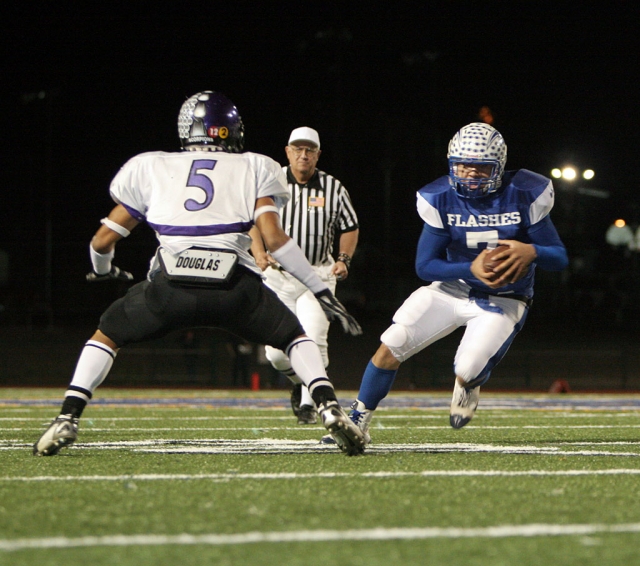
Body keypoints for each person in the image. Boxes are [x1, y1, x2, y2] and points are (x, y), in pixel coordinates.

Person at [33, 90, 365, 457]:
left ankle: (68, 415)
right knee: (295, 337)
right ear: (232, 129)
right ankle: (327, 405)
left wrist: (104, 271)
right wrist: (319, 290)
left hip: (169, 289)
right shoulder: (255, 166)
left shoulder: (152, 166)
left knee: (106, 335)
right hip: (234, 290)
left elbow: (101, 241)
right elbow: (275, 238)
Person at [332, 122, 568, 444]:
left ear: (498, 167)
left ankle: (468, 385)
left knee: (468, 369)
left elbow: (559, 257)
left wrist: (532, 250)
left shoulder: (525, 193)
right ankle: (359, 418)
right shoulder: (440, 197)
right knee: (393, 341)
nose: (470, 174)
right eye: (462, 165)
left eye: (481, 167)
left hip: (503, 299)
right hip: (452, 289)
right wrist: (470, 268)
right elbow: (425, 266)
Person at [250, 126, 359, 425]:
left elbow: (350, 226)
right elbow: (250, 222)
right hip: (278, 276)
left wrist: (344, 259)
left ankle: (311, 405)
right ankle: (301, 382)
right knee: (275, 354)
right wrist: (259, 253)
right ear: (287, 152)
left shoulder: (334, 188)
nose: (303, 154)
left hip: (318, 274)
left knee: (314, 340)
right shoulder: (270, 183)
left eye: (309, 150)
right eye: (297, 148)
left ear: (318, 155)